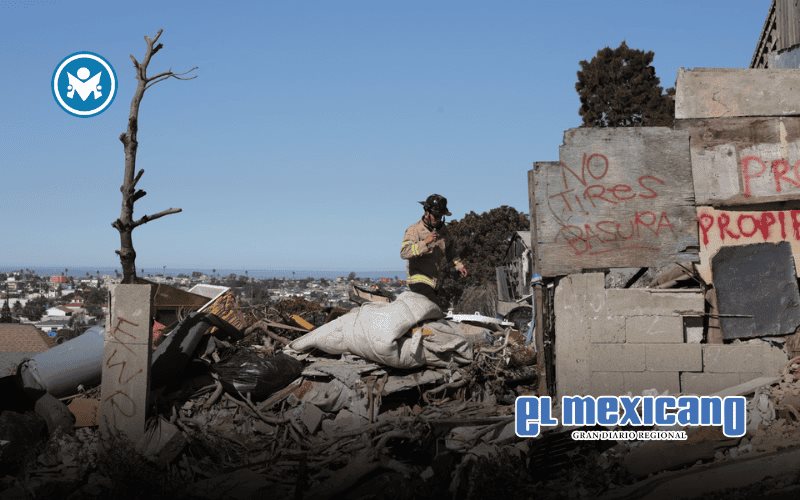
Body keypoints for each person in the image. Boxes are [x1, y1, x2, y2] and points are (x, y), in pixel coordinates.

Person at [400, 194, 468, 310]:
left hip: (435, 283)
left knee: (445, 309)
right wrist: (425, 242)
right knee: (435, 310)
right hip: (418, 281)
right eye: (436, 216)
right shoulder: (414, 230)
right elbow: (404, 252)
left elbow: (451, 253)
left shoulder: (444, 232)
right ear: (427, 213)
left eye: (441, 216)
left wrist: (459, 265)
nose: (438, 220)